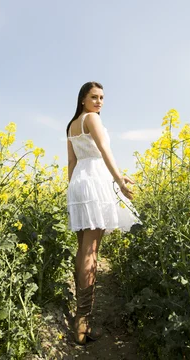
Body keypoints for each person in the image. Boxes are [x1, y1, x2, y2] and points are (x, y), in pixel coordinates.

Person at [66, 81, 140, 345]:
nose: (99, 102)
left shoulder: (72, 124)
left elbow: (72, 163)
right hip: (96, 181)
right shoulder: (92, 120)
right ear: (83, 99)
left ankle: (80, 317)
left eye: (102, 98)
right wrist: (119, 180)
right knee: (91, 252)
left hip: (79, 183)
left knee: (82, 250)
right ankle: (82, 322)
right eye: (94, 97)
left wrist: (72, 192)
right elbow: (105, 151)